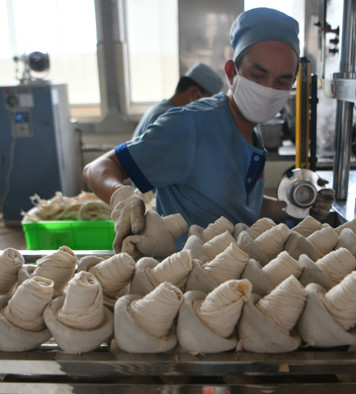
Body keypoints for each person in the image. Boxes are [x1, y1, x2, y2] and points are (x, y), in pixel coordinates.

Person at [83, 7, 334, 252]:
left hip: (230, 271)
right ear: (231, 72)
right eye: (258, 76)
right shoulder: (191, 126)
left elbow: (245, 208)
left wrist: (298, 205)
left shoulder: (252, 137)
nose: (268, 89)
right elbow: (97, 168)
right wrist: (122, 197)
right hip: (185, 271)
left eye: (282, 81)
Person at [132, 63, 223, 139]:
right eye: (206, 102)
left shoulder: (161, 108)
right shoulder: (168, 117)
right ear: (193, 92)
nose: (205, 110)